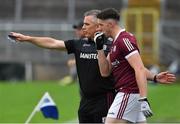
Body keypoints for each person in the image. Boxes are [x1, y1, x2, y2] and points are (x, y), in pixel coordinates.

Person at [10, 9, 175, 123]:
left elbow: (135, 68)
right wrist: (27, 38)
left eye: (86, 24)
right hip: (85, 102)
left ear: (99, 26)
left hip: (107, 100)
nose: (82, 28)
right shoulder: (79, 44)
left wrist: (153, 77)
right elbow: (53, 43)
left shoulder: (114, 44)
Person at [94, 8, 176, 123]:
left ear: (110, 24)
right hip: (130, 95)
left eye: (100, 25)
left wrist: (143, 98)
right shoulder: (115, 42)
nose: (98, 29)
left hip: (128, 93)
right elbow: (105, 71)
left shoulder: (124, 40)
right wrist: (99, 49)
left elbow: (139, 68)